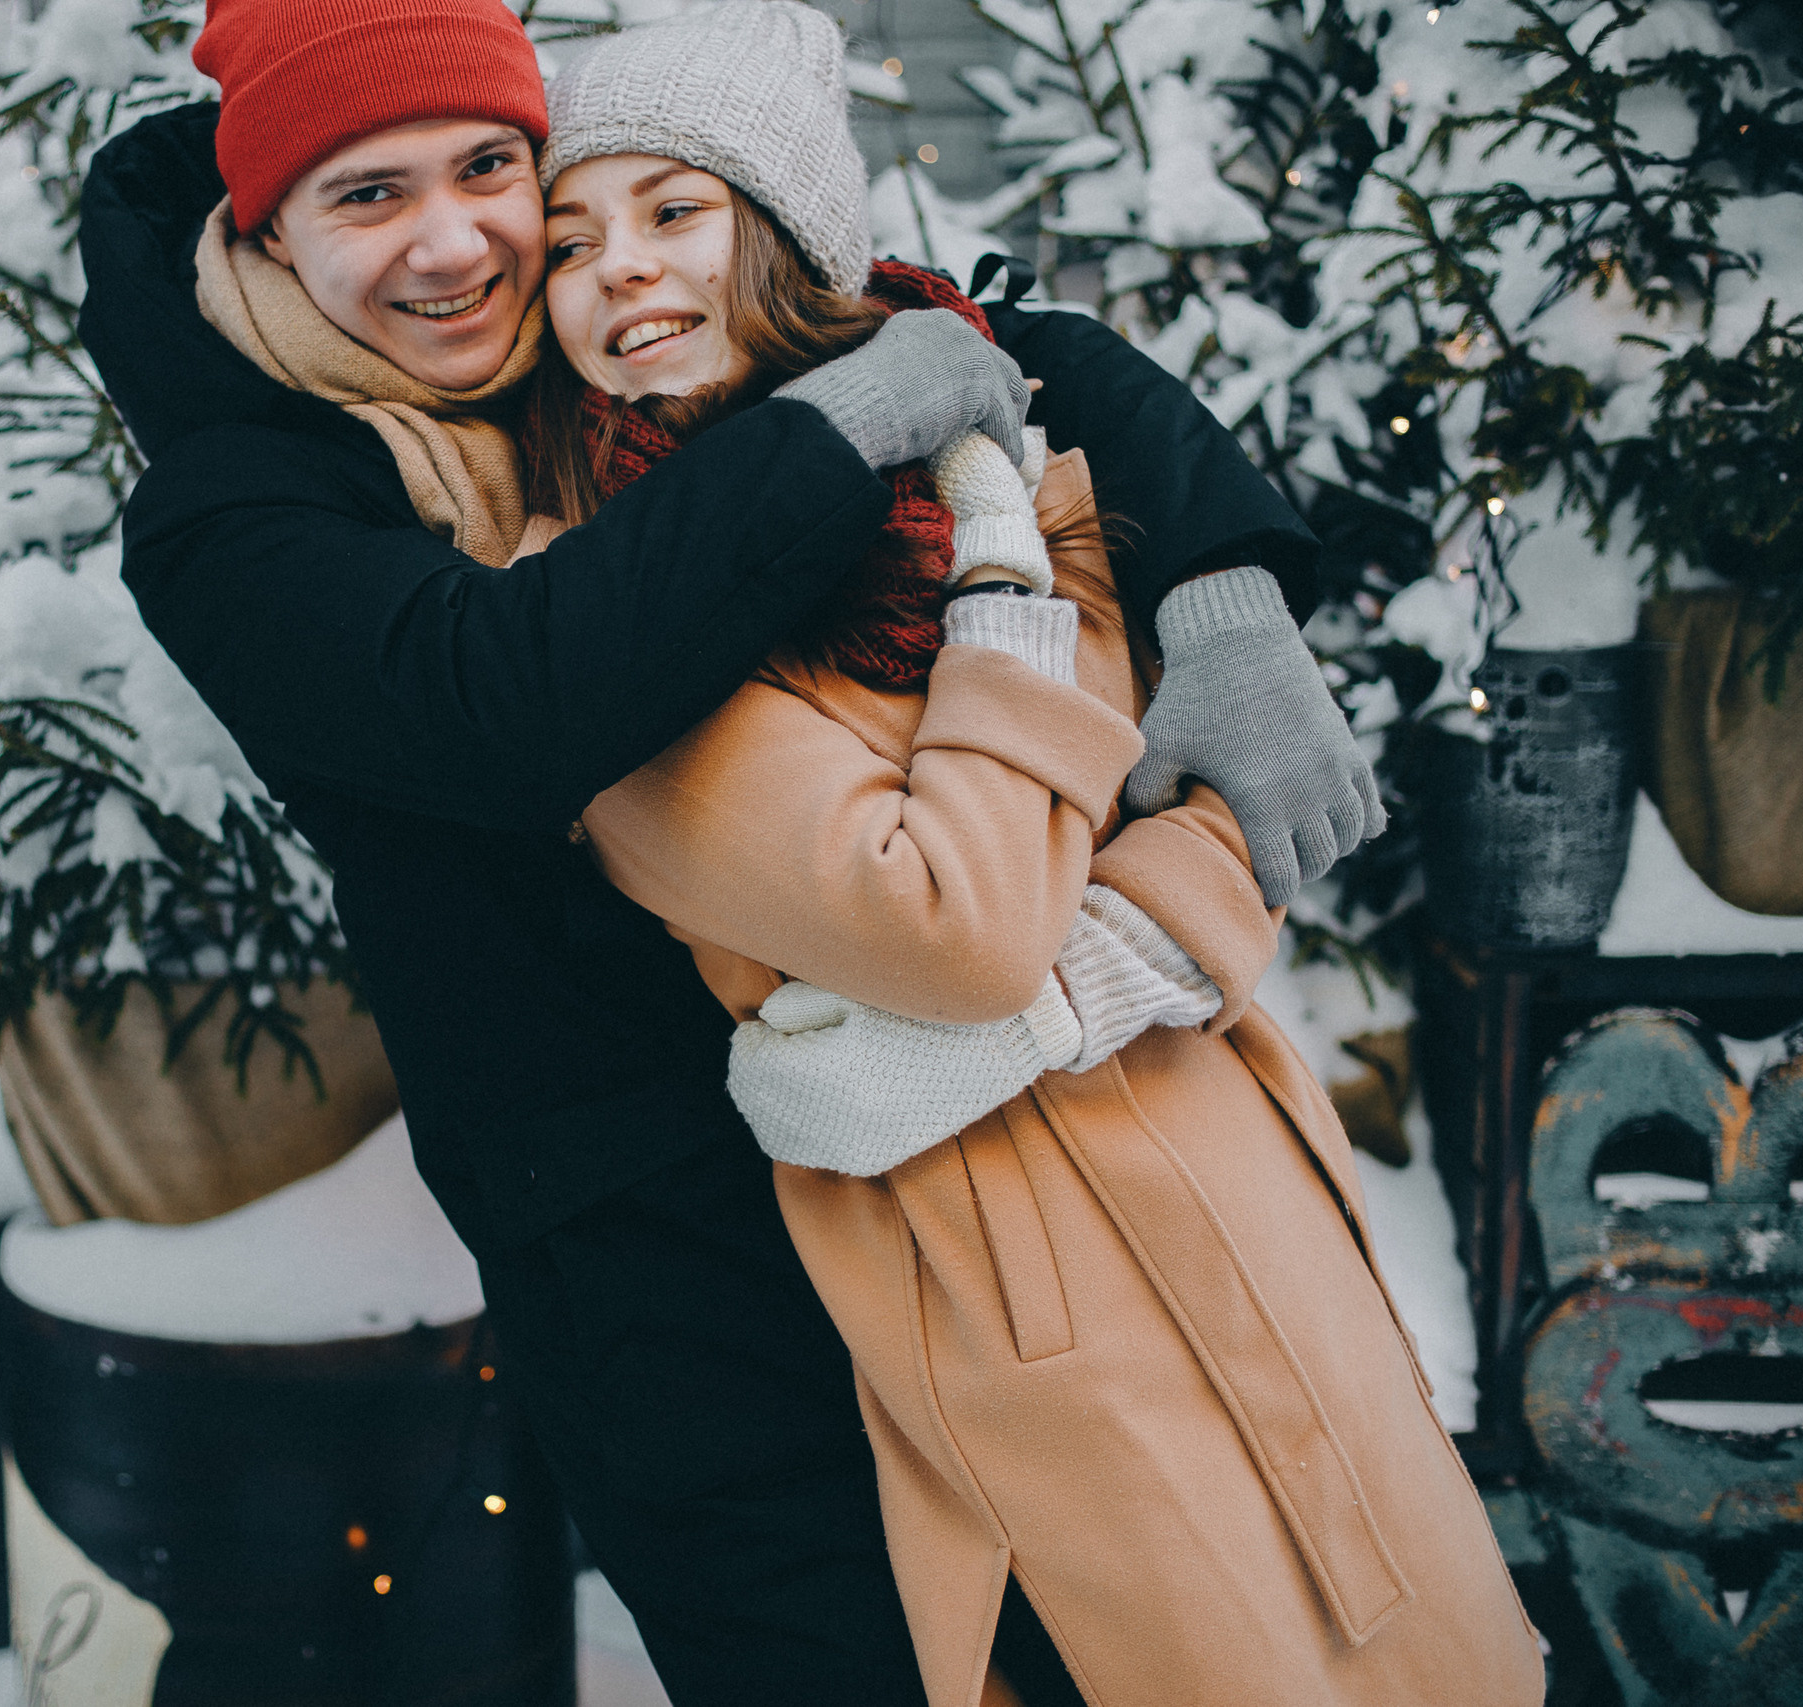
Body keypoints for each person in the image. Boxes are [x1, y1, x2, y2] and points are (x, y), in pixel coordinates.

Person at [74, 2, 1385, 1698]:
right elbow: (506, 703)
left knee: (1115, 1644)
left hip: (953, 1159)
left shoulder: (573, 311)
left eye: (490, 169)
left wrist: (1223, 589)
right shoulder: (236, 510)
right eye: (366, 196)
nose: (455, 241)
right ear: (265, 227)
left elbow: (986, 329)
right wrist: (844, 426)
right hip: (659, 1256)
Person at [523, 8, 1544, 1702]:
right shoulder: (611, 615)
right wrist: (1027, 607)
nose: (618, 270)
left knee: (1428, 1649)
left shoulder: (981, 457)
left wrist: (1203, 646)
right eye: (570, 238)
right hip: (1011, 1263)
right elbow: (966, 928)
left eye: (673, 212)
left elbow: (1225, 810)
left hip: (1227, 1157)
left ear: (784, 238)